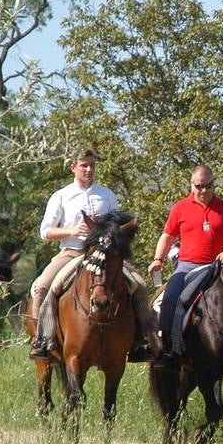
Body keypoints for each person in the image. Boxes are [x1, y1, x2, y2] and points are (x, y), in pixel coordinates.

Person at [30, 148, 158, 361]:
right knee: (43, 286)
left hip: (105, 254)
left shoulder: (106, 195)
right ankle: (41, 340)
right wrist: (72, 231)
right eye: (84, 165)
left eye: (92, 165)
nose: (89, 169)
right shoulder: (61, 196)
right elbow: (46, 232)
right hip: (72, 252)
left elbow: (119, 227)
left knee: (140, 286)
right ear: (73, 167)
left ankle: (140, 341)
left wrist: (107, 227)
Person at [147, 165, 223, 363]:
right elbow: (167, 236)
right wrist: (158, 259)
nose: (204, 191)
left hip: (217, 268)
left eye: (209, 186)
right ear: (191, 185)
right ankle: (168, 348)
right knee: (171, 299)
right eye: (200, 186)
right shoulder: (180, 208)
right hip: (186, 267)